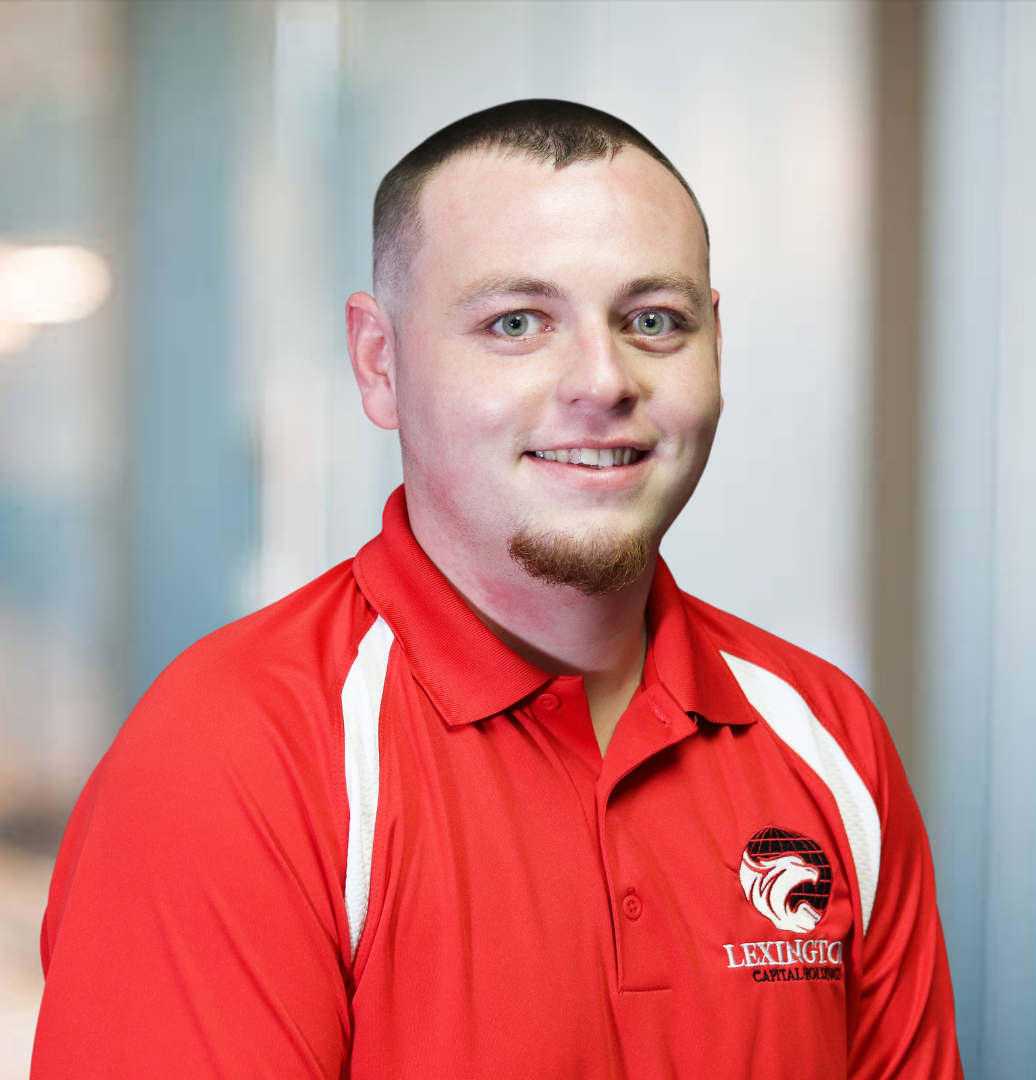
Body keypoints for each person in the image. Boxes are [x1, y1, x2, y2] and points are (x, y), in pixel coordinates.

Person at [32, 100, 962, 1079]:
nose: (602, 380)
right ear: (379, 362)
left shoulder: (828, 737)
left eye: (655, 320)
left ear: (714, 347)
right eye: (516, 322)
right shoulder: (235, 756)